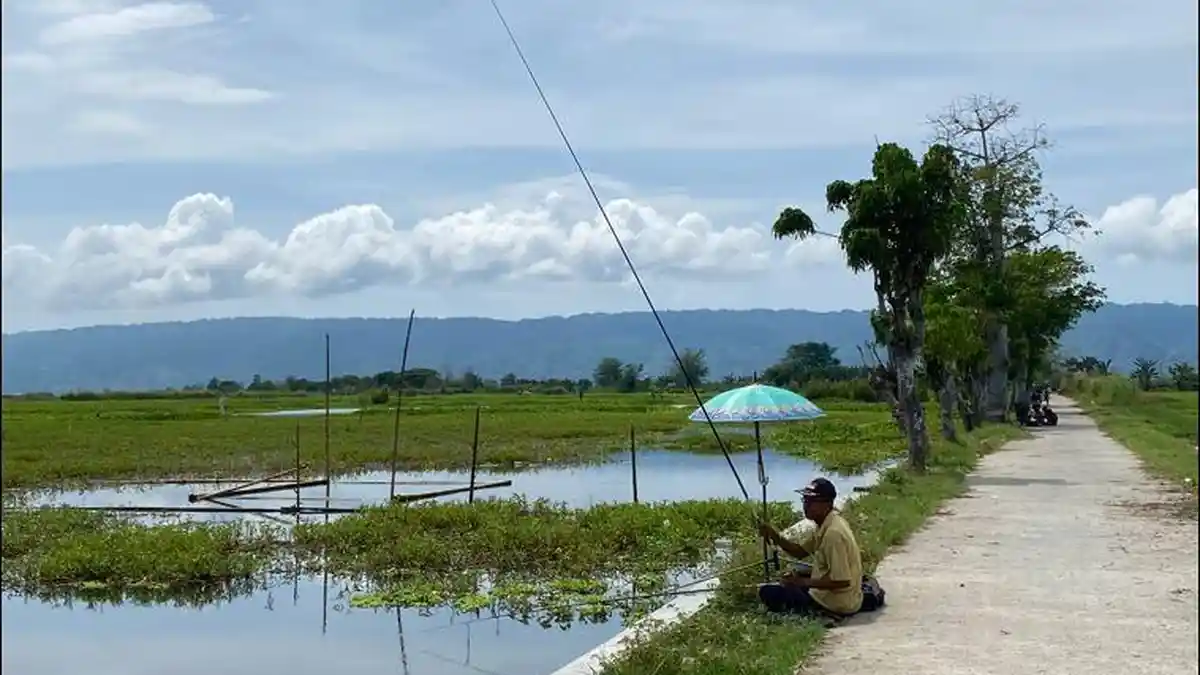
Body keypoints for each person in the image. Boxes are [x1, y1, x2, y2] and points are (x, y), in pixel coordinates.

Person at [757, 477, 864, 616]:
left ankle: (814, 613)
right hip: (834, 595)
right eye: (805, 500)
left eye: (811, 501)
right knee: (796, 572)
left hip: (837, 602)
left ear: (827, 504)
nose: (806, 505)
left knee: (767, 592)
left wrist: (801, 582)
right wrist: (774, 536)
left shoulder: (833, 534)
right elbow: (800, 552)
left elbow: (842, 581)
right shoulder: (825, 523)